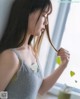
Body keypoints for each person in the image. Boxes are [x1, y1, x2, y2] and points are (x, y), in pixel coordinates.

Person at [0, 0, 70, 99]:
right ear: (28, 13)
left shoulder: (31, 52)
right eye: (44, 15)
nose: (46, 22)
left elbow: (40, 88)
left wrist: (63, 65)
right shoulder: (11, 57)